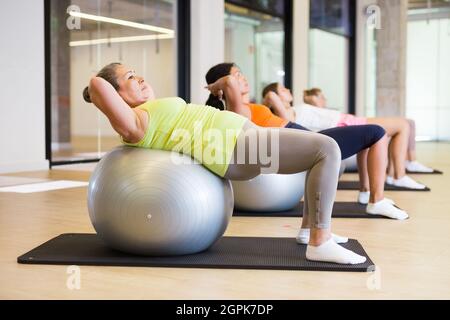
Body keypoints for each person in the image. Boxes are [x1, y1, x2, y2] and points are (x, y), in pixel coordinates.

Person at [83, 62, 366, 265]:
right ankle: (320, 242)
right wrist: (100, 81)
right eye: (131, 77)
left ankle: (309, 231)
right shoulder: (135, 123)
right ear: (116, 94)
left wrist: (130, 80)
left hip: (244, 137)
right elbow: (96, 85)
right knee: (327, 149)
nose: (141, 78)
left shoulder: (149, 110)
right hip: (235, 148)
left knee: (317, 153)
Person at [205, 63, 408, 223]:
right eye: (237, 74)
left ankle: (366, 195)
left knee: (368, 137)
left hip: (304, 136)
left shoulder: (248, 105)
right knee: (377, 133)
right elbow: (229, 82)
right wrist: (216, 86)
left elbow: (231, 82)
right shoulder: (237, 109)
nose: (242, 77)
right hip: (299, 141)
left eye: (241, 73)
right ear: (224, 86)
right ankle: (377, 200)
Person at [276, 86, 431, 188]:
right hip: (344, 125)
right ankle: (399, 175)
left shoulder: (296, 108)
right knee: (402, 125)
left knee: (405, 124)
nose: (287, 89)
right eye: (281, 89)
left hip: (348, 120)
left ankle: (394, 173)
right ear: (276, 97)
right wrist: (271, 96)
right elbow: (280, 112)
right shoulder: (289, 112)